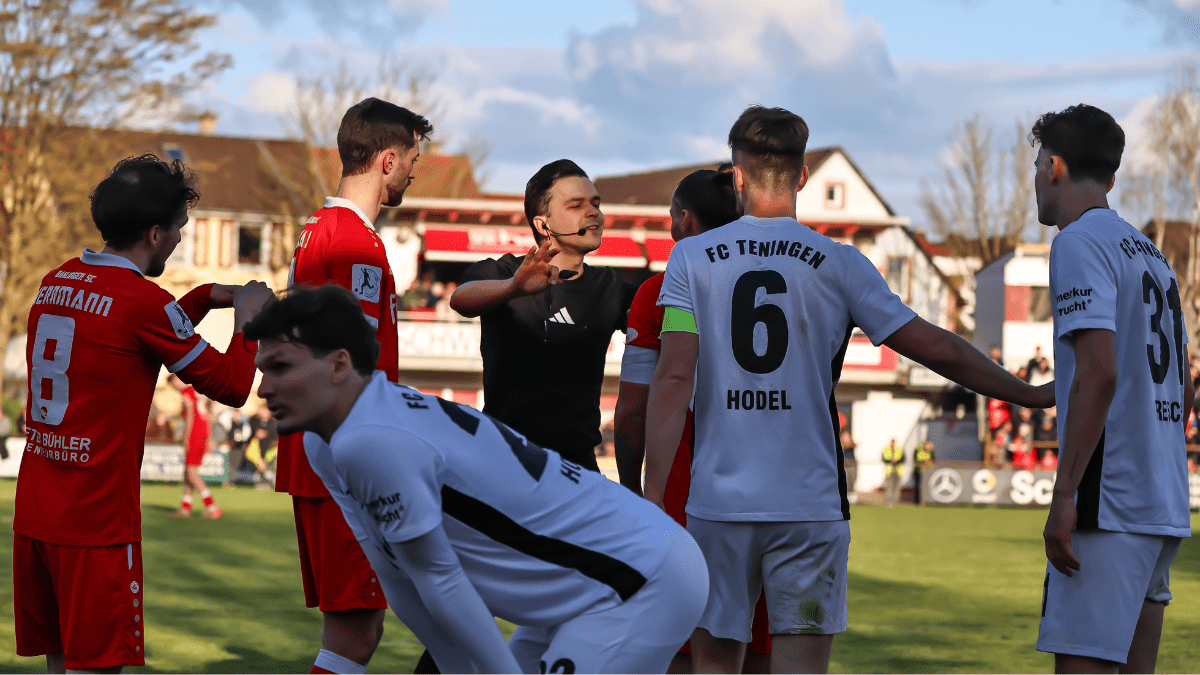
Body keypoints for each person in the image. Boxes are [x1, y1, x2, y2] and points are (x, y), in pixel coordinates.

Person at [645, 105, 1054, 674]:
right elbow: (935, 346)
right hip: (810, 504)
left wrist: (656, 498)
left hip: (718, 506)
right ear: (803, 177)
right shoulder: (840, 263)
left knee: (714, 668)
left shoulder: (689, 258)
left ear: (736, 175)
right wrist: (1030, 394)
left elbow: (671, 379)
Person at [247, 284, 708, 674]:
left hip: (638, 579)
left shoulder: (368, 441)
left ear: (339, 365)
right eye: (263, 369)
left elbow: (441, 581)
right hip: (589, 583)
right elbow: (400, 577)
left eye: (281, 367)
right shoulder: (328, 441)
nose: (264, 388)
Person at [13, 154, 268, 673]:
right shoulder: (141, 302)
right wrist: (249, 323)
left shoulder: (54, 281)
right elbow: (233, 386)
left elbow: (130, 338)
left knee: (60, 666)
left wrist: (202, 297)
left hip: (37, 514)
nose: (179, 241)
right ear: (154, 233)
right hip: (97, 525)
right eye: (179, 230)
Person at [1032, 104, 1193, 674]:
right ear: (1113, 175)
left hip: (1110, 506)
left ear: (1053, 166)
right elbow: (1184, 387)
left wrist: (1065, 494)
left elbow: (1099, 371)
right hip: (1162, 502)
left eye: (1035, 164)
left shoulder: (1078, 242)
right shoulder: (1154, 257)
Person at [275, 97, 432, 675]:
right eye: (414, 158)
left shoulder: (320, 228)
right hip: (343, 460)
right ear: (388, 160)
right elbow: (353, 368)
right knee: (356, 632)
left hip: (317, 457)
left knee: (352, 628)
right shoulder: (354, 244)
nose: (416, 171)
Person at [614, 166, 774, 673]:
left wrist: (635, 489)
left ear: (684, 221)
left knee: (689, 653)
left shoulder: (658, 294)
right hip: (776, 499)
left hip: (688, 499)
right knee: (765, 651)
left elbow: (633, 408)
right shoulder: (784, 287)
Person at [450, 159, 637, 473]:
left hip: (576, 468)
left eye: (595, 204)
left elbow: (669, 324)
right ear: (543, 224)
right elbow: (460, 299)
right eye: (576, 205)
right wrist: (513, 288)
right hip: (505, 462)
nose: (593, 213)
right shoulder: (504, 271)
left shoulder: (610, 289)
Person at [166, 375, 221, 518]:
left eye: (175, 382)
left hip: (195, 435)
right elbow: (206, 416)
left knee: (191, 473)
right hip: (202, 434)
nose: (175, 386)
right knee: (187, 473)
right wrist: (208, 438)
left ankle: (212, 507)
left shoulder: (187, 392)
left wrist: (186, 437)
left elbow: (191, 417)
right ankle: (185, 508)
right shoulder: (197, 392)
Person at [881, 439, 905, 507]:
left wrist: (897, 460)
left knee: (896, 487)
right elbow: (883, 459)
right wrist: (891, 460)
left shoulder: (900, 449)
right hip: (889, 470)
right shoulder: (886, 449)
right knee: (889, 486)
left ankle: (896, 502)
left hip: (898, 470)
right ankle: (889, 502)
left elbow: (903, 458)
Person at [913, 440, 935, 505]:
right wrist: (924, 462)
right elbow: (916, 460)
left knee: (927, 486)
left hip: (927, 471)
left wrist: (928, 462)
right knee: (918, 486)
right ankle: (918, 501)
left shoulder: (931, 452)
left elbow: (933, 460)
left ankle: (927, 500)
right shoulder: (918, 450)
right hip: (918, 470)